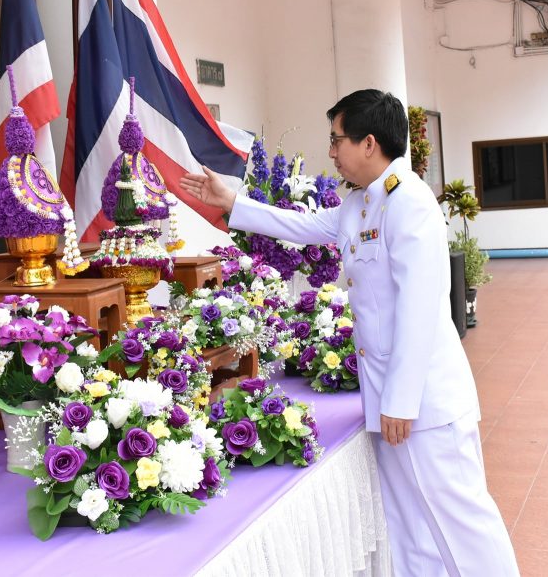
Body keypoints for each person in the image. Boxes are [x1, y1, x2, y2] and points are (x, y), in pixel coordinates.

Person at [180, 90, 519, 577]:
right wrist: (234, 203)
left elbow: (421, 309)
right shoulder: (361, 201)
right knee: (410, 527)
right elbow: (304, 225)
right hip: (390, 400)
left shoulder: (409, 203)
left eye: (337, 140)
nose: (332, 151)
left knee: (462, 524)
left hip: (424, 402)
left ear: (369, 143)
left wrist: (402, 400)